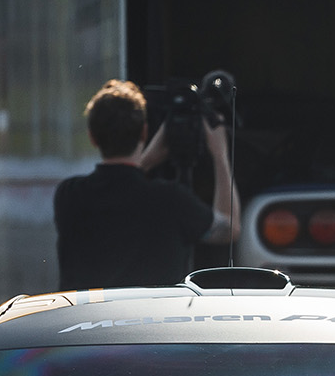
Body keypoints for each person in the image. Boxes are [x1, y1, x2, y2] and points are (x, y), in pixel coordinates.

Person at [54, 79, 239, 291]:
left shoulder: (69, 195)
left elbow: (120, 190)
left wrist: (146, 160)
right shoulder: (171, 199)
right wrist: (220, 155)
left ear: (92, 137)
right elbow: (230, 229)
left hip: (88, 319)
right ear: (144, 132)